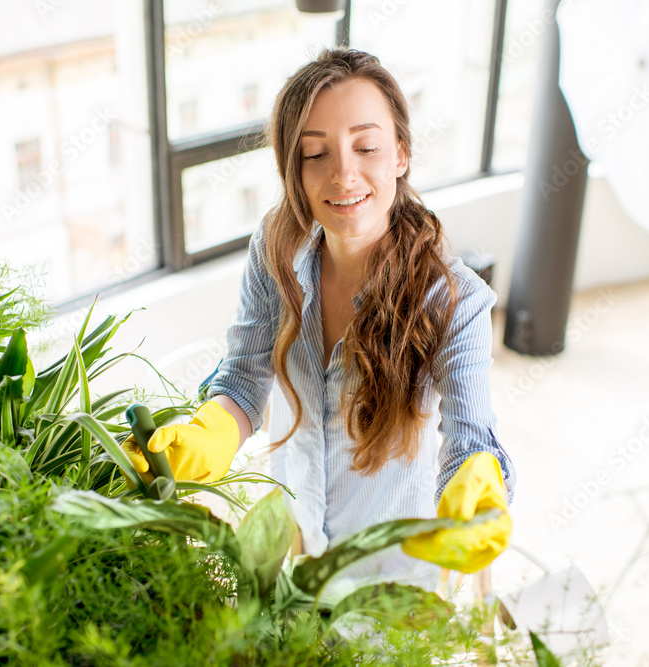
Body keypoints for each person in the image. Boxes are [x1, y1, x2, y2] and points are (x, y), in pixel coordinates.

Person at [124, 47, 515, 594]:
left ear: (400, 153)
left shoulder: (454, 298)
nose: (343, 174)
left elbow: (471, 439)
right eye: (315, 153)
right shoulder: (275, 247)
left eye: (367, 146)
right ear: (293, 168)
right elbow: (244, 379)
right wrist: (209, 433)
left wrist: (479, 482)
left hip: (398, 579)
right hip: (295, 548)